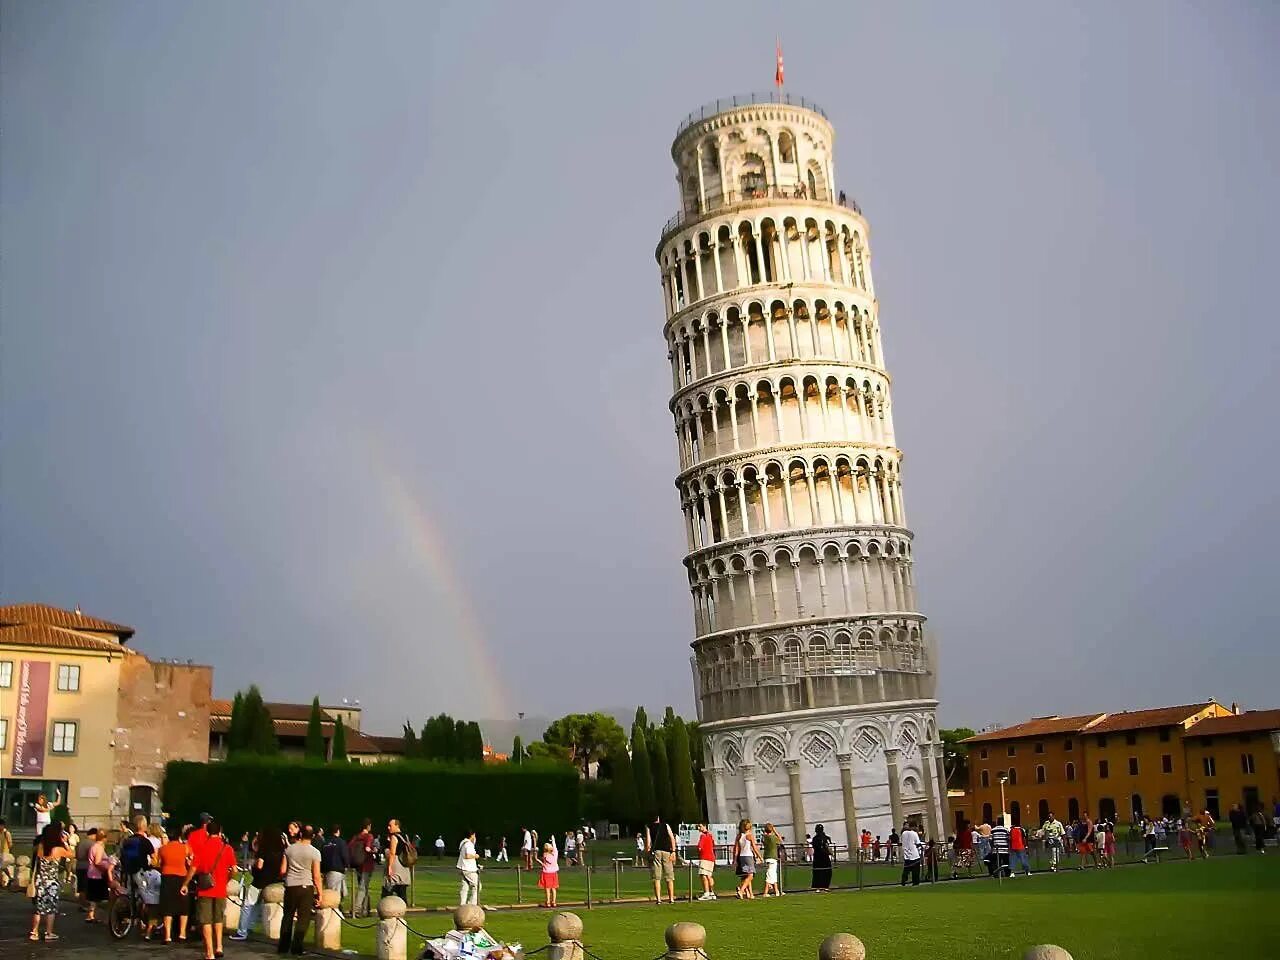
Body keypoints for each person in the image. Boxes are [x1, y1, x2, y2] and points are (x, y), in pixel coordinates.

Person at [183, 818, 236, 960]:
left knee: (206, 920)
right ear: (220, 832)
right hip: (220, 888)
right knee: (218, 918)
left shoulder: (202, 848)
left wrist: (185, 884)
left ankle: (210, 952)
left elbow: (193, 868)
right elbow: (234, 869)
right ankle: (219, 946)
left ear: (207, 832)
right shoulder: (227, 848)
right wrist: (227, 879)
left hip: (205, 888)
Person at [276, 825, 323, 956]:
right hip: (305, 886)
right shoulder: (315, 852)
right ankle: (297, 947)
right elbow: (316, 876)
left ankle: (283, 946)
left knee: (288, 917)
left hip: (290, 885)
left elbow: (282, 870)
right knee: (303, 918)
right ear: (313, 836)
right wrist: (320, 893)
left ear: (300, 834)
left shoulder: (289, 849)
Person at [29, 822, 72, 942]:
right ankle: (49, 932)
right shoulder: (58, 849)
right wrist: (65, 842)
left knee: (39, 908)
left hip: (41, 880)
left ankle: (34, 932)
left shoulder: (41, 847)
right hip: (52, 882)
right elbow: (71, 855)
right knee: (51, 909)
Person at [159, 826, 192, 944]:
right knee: (183, 906)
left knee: (167, 907)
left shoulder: (162, 849)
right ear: (179, 836)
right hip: (181, 877)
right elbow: (190, 860)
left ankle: (167, 936)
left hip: (167, 877)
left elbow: (160, 863)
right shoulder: (185, 848)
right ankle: (182, 934)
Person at [646, 812, 678, 905]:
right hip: (667, 851)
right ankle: (671, 898)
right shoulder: (666, 825)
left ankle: (658, 899)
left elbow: (648, 842)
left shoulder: (649, 827)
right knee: (669, 876)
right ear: (658, 818)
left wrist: (648, 852)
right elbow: (672, 838)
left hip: (656, 852)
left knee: (657, 877)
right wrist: (673, 851)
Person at [347, 819, 376, 918]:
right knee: (363, 888)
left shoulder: (356, 837)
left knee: (364, 887)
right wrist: (373, 851)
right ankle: (356, 910)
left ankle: (365, 910)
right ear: (369, 826)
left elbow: (349, 847)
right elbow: (367, 849)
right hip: (367, 865)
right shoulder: (369, 836)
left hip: (357, 865)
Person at [383, 819, 412, 900]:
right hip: (404, 866)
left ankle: (387, 910)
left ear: (397, 826)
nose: (388, 827)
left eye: (390, 825)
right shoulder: (405, 836)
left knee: (387, 893)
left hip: (395, 867)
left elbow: (392, 853)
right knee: (402, 893)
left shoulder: (394, 837)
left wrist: (389, 867)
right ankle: (403, 910)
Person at [85, 828, 109, 923]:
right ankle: (99, 916)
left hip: (91, 873)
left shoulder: (93, 846)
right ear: (104, 838)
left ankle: (91, 915)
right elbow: (98, 862)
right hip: (98, 875)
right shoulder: (99, 847)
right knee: (99, 897)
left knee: (93, 897)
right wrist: (105, 868)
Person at [732, 819, 761, 899]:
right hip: (748, 856)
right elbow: (754, 847)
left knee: (746, 875)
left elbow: (736, 849)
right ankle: (741, 890)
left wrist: (734, 859)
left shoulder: (739, 836)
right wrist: (760, 856)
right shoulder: (749, 835)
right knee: (751, 875)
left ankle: (750, 894)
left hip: (742, 857)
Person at [320, 825, 350, 897]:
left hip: (326, 870)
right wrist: (346, 865)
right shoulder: (341, 842)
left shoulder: (325, 843)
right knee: (334, 894)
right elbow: (344, 855)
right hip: (337, 870)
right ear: (338, 831)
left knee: (330, 890)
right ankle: (334, 907)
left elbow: (322, 856)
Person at [139, 861, 163, 940]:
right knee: (152, 916)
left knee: (147, 913)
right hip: (155, 898)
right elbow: (160, 884)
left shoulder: (143, 874)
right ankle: (149, 932)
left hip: (145, 897)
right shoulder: (157, 874)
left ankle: (151, 928)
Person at [457, 829, 481, 906]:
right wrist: (476, 856)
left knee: (465, 886)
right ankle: (471, 904)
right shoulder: (469, 844)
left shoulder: (463, 842)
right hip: (469, 869)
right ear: (472, 835)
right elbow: (468, 855)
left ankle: (462, 904)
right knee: (477, 886)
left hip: (462, 867)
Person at [694, 823, 717, 901]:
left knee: (703, 875)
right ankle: (712, 892)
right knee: (709, 876)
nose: (699, 828)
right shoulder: (710, 836)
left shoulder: (703, 836)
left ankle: (706, 893)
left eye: (700, 826)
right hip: (711, 858)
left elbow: (699, 847)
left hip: (705, 857)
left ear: (704, 826)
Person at [761, 822, 784, 897]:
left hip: (767, 856)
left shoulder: (764, 837)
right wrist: (775, 830)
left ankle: (777, 891)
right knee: (770, 874)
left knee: (773, 874)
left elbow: (763, 838)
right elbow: (780, 840)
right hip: (773, 857)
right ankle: (765, 892)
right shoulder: (773, 838)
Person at [810, 824, 832, 891]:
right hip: (825, 856)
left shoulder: (815, 838)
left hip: (817, 856)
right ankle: (825, 886)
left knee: (817, 871)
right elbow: (828, 846)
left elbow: (814, 846)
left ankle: (817, 887)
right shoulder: (826, 837)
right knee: (827, 871)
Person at [0, 817, 13, 889]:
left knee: (2, 868)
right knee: (2, 868)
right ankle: (8, 879)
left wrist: (9, 851)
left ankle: (8, 879)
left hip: (4, 853)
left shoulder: (6, 833)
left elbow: (10, 843)